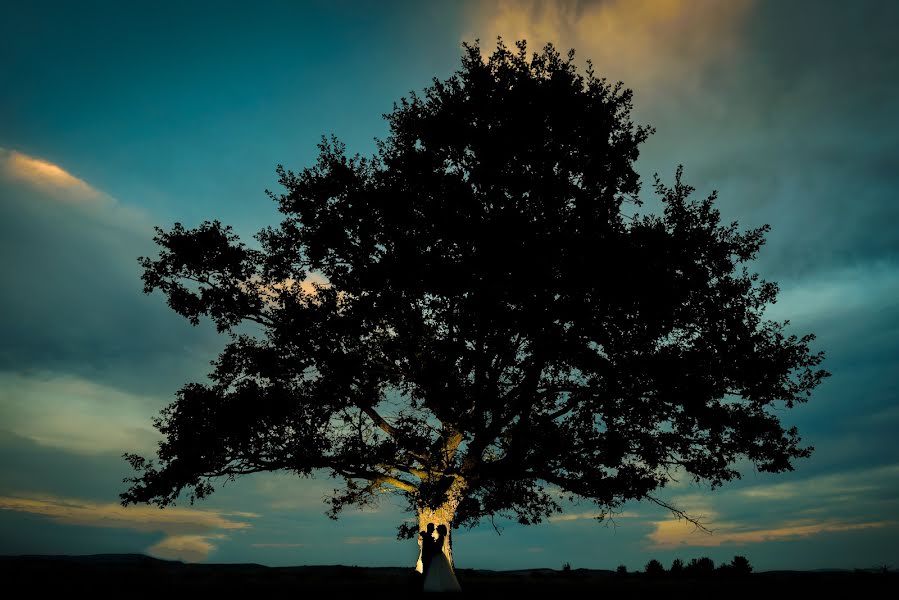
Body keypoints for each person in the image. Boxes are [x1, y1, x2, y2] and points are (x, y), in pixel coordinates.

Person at [422, 524, 461, 592]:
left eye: (437, 529)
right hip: (437, 555)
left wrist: (433, 548)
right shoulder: (439, 537)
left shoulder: (441, 537)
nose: (436, 530)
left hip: (438, 556)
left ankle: (437, 586)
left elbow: (438, 548)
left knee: (438, 571)